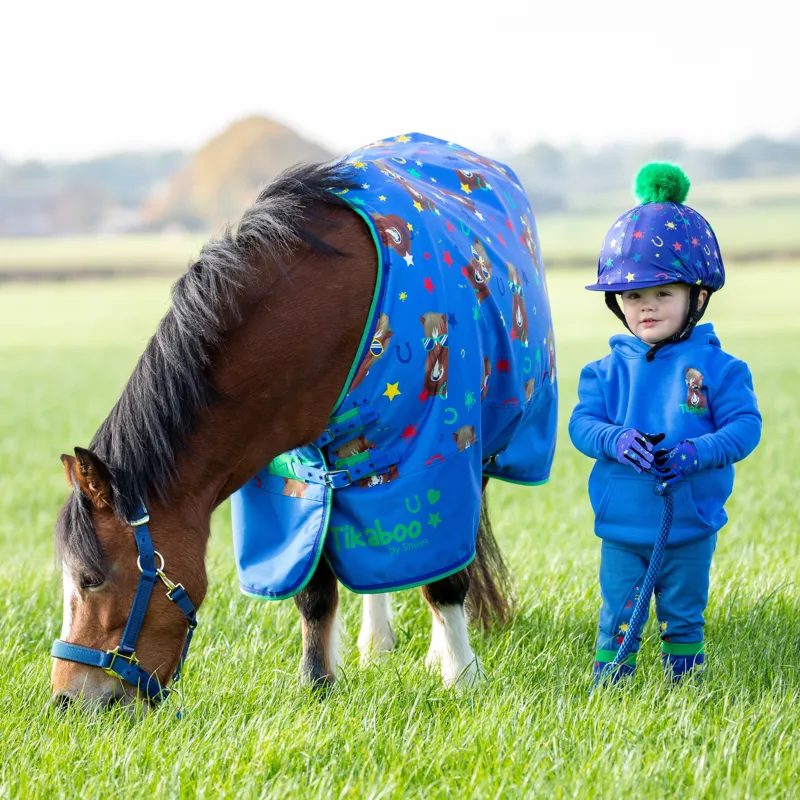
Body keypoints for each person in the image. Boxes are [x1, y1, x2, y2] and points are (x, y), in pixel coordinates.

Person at [568, 163, 762, 683]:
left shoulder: (722, 369)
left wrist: (698, 453)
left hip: (691, 524)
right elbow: (581, 426)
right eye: (633, 295)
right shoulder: (603, 372)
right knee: (618, 618)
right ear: (617, 303)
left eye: (663, 292)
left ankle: (686, 684)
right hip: (623, 528)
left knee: (684, 617)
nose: (646, 305)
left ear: (698, 297)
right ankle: (611, 689)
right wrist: (614, 438)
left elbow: (746, 428)